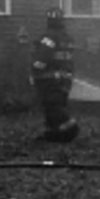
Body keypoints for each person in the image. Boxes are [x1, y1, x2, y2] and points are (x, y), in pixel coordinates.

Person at [31, 7, 78, 142]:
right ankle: (54, 134)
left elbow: (41, 59)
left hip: (50, 79)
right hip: (65, 80)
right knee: (57, 106)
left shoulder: (48, 38)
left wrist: (34, 69)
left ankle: (71, 130)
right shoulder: (68, 39)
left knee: (52, 108)